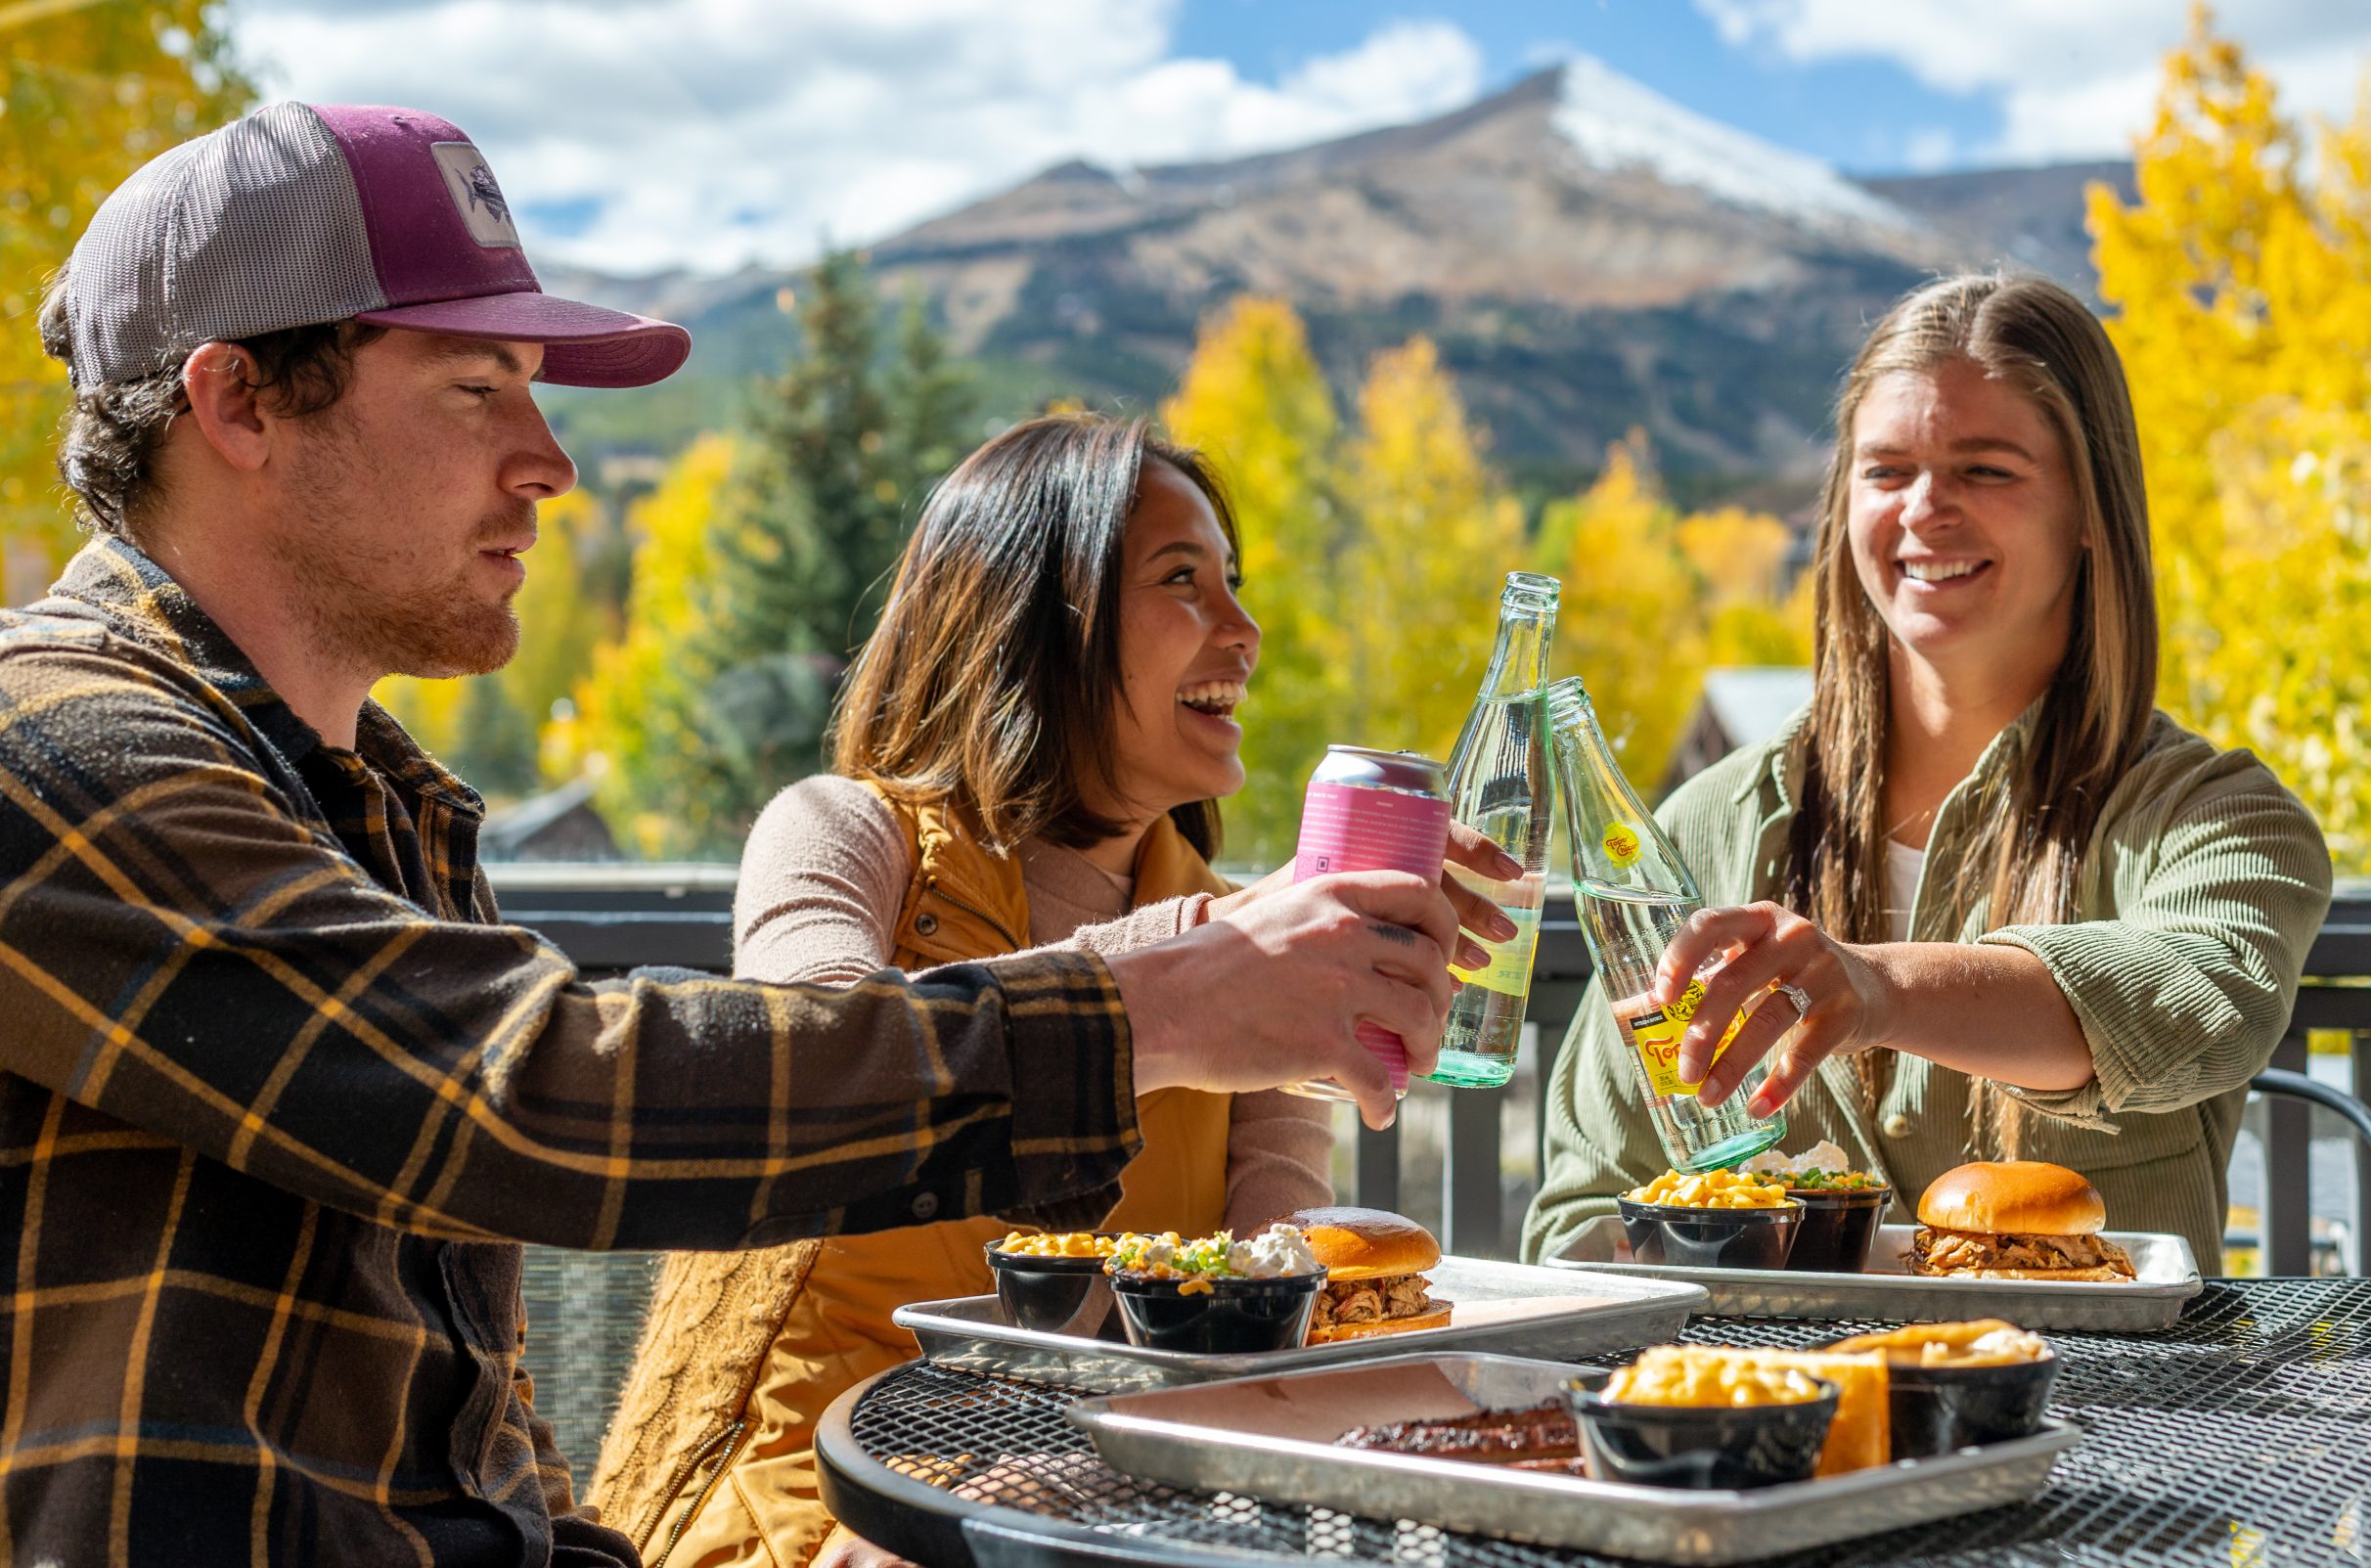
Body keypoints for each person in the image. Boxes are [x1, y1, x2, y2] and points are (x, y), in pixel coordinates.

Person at [0, 102, 1497, 1568]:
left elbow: (469, 1407)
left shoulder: (384, 805)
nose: (551, 457)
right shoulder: (50, 748)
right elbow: (530, 1098)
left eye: (538, 389)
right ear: (238, 402)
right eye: (477, 389)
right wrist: (1157, 998)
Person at [596, 415, 1394, 1567]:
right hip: (805, 1506)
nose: (1245, 631)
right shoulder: (841, 835)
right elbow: (814, 1059)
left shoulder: (1241, 939)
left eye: (1236, 584)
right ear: (1036, 619)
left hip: (1094, 1500)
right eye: (1184, 582)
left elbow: (1262, 1308)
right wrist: (1194, 955)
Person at [1523, 272, 2333, 1275]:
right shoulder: (1702, 833)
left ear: (2089, 507)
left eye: (1985, 470)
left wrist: (1871, 987)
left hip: (2127, 1421)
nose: (1924, 511)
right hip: (1786, 1418)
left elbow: (2201, 1001)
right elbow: (1581, 1218)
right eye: (1887, 470)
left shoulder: (2217, 819)